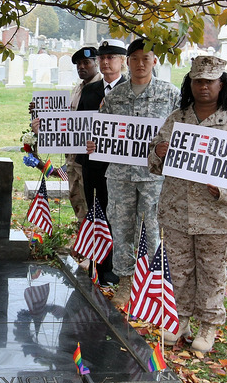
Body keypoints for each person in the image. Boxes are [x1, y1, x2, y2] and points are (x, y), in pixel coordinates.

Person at [148, 56, 227, 353]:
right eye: (198, 81)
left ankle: (209, 326)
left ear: (221, 84)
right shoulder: (177, 119)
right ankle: (180, 320)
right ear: (190, 83)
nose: (203, 86)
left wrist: (226, 192)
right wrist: (159, 152)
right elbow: (154, 163)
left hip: (217, 217)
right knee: (179, 271)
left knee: (212, 273)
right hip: (177, 213)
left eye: (210, 81)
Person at [85, 38, 180, 307]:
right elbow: (104, 131)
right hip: (120, 175)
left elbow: (182, 131)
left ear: (155, 61)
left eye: (146, 58)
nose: (140, 64)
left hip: (154, 176)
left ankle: (152, 285)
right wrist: (97, 144)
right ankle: (125, 283)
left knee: (153, 229)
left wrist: (168, 146)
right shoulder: (114, 96)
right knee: (122, 227)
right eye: (135, 59)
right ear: (128, 61)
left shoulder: (170, 94)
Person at [74, 39, 128, 285]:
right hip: (92, 166)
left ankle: (115, 270)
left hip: (120, 168)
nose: (106, 62)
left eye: (112, 58)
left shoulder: (130, 90)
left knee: (118, 216)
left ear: (122, 61)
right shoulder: (89, 91)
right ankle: (99, 266)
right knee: (97, 215)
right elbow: (77, 128)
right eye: (103, 58)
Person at [30, 46, 101, 222]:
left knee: (90, 203)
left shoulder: (103, 88)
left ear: (96, 63)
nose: (81, 67)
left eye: (86, 62)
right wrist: (39, 112)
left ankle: (92, 245)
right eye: (78, 64)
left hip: (90, 160)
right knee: (76, 199)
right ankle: (82, 239)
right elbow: (65, 121)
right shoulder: (78, 88)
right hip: (72, 158)